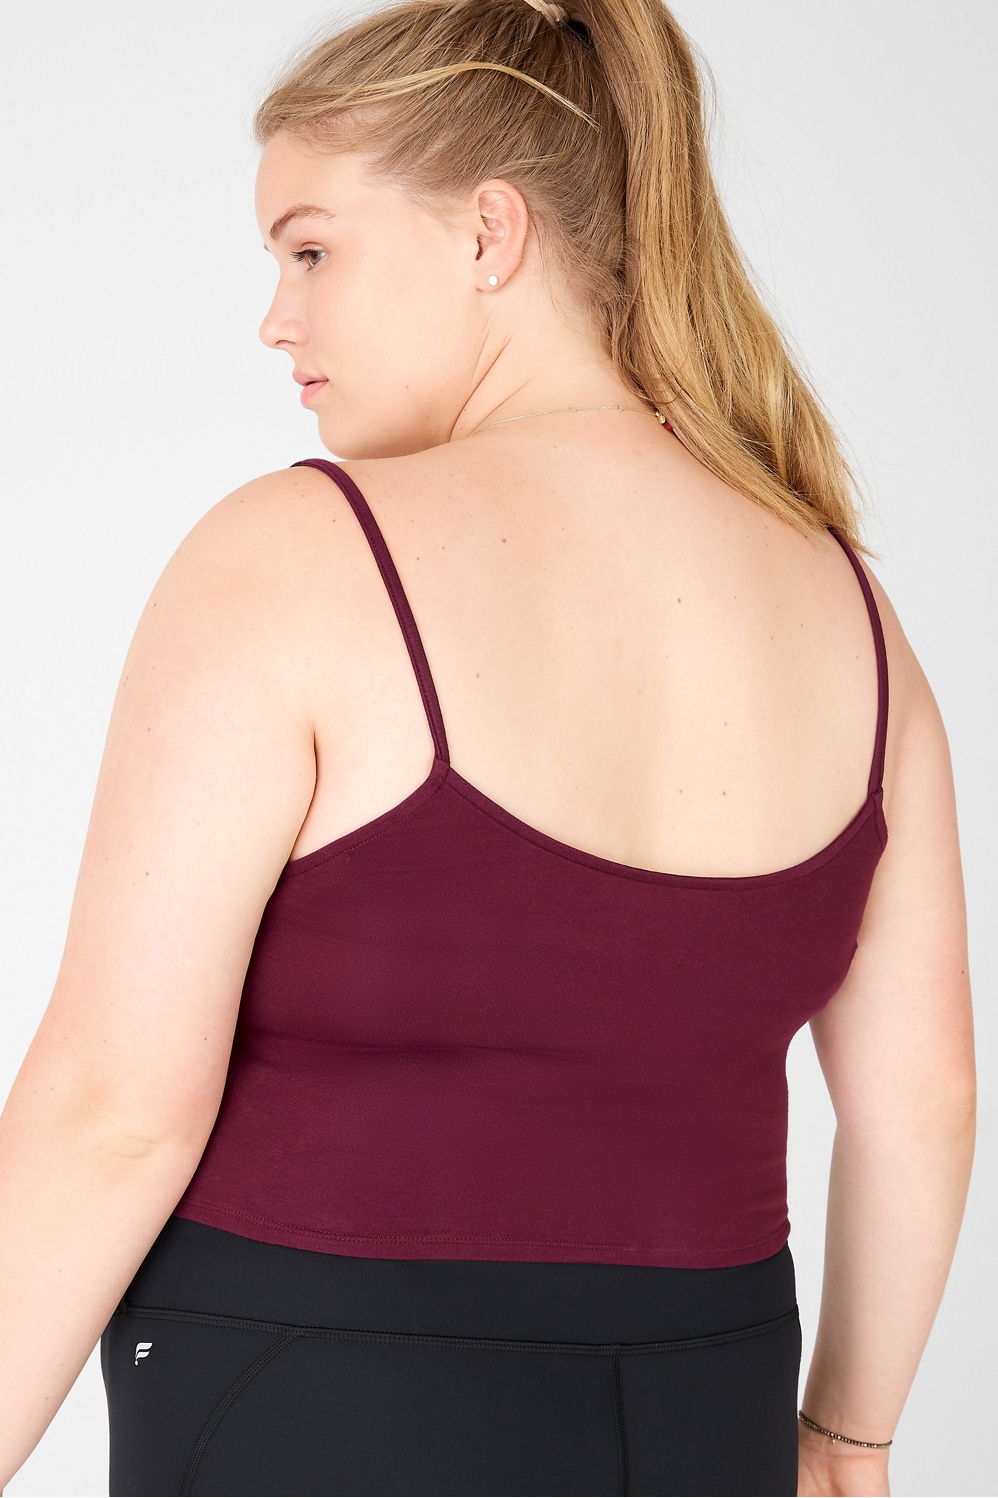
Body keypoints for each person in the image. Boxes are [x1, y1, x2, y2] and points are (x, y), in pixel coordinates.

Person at [0, 0, 976, 1493]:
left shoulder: (298, 558)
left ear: (488, 233)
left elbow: (111, 1114)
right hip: (704, 1414)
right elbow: (919, 1100)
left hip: (311, 1407)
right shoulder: (851, 612)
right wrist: (847, 1439)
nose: (276, 319)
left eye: (310, 250)